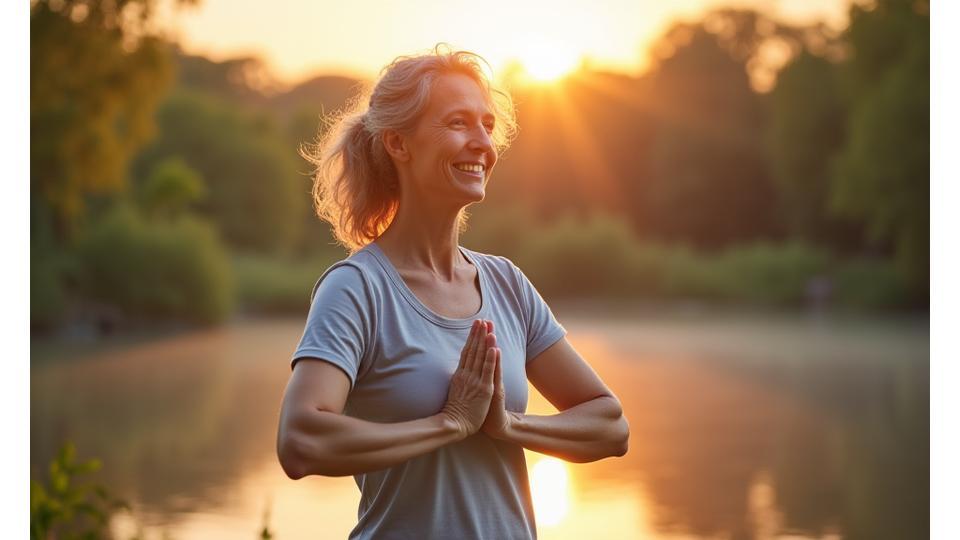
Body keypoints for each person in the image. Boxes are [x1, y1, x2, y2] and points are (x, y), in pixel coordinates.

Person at [276, 44, 630, 540]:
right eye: (459, 123)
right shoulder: (357, 288)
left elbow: (611, 426)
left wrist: (507, 426)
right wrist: (449, 424)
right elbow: (300, 440)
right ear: (399, 144)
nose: (482, 142)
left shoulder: (506, 283)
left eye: (487, 124)